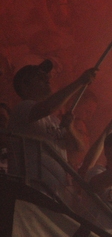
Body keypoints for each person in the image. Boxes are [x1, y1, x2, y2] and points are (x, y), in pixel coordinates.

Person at [6, 59, 96, 197]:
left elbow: (78, 147)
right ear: (25, 84)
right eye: (40, 78)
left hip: (55, 195)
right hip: (31, 191)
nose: (47, 79)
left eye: (46, 76)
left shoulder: (53, 119)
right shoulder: (22, 109)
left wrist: (71, 128)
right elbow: (48, 107)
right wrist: (80, 82)